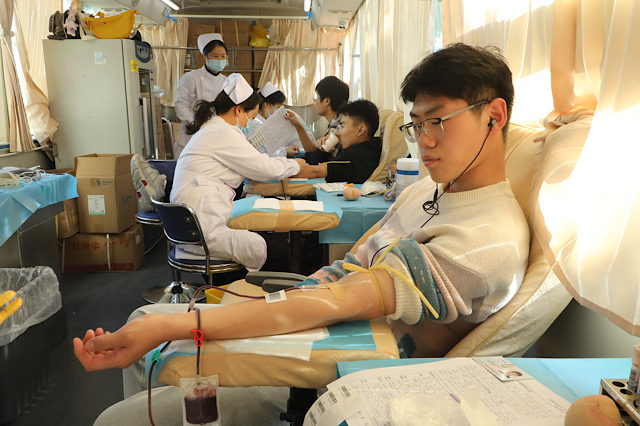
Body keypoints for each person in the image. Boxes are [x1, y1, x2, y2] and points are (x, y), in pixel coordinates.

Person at [74, 44, 530, 424]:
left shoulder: (488, 240)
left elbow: (342, 298)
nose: (424, 140)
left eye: (438, 121)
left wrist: (179, 323)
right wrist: (272, 299)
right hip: (320, 327)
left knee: (117, 414)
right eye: (417, 124)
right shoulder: (424, 192)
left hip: (330, 378)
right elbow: (346, 270)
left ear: (494, 115)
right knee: (143, 320)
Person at [170, 73, 304, 271]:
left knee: (258, 233)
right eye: (252, 117)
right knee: (260, 246)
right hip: (201, 225)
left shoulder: (213, 128)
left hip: (190, 222)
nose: (250, 122)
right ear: (239, 110)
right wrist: (297, 165)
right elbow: (263, 167)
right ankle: (242, 287)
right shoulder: (223, 132)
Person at [295, 99, 382, 183]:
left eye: (342, 126)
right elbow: (319, 163)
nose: (338, 133)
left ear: (360, 130)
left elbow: (316, 171)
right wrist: (324, 151)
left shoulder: (355, 156)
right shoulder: (367, 148)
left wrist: (288, 167)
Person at [174, 33, 229, 158]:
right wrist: (197, 123)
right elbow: (180, 106)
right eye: (215, 56)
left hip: (215, 134)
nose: (220, 60)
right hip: (193, 133)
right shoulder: (192, 77)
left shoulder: (226, 81)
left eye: (223, 56)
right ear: (205, 55)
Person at [284, 76, 349, 154]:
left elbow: (317, 156)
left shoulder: (337, 126)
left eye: (317, 97)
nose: (315, 101)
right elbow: (314, 151)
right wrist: (298, 126)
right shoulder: (337, 121)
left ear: (327, 101)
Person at [253, 81, 314, 158]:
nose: (279, 111)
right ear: (267, 105)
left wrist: (286, 150)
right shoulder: (256, 124)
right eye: (277, 107)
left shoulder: (265, 122)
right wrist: (285, 151)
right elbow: (263, 153)